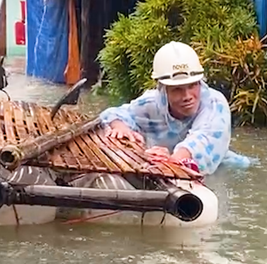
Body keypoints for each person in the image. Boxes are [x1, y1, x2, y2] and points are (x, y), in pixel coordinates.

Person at [99, 41, 251, 175]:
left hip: (223, 170)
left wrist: (173, 160)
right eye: (177, 89)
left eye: (192, 86)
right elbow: (116, 113)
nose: (187, 96)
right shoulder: (152, 103)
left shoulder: (215, 104)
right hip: (168, 163)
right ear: (163, 89)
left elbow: (202, 141)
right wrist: (121, 128)